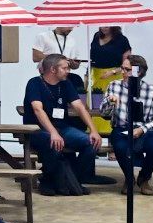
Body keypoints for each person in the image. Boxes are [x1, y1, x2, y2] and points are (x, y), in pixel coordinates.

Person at [23, 54, 100, 195]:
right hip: (37, 129)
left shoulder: (66, 84)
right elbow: (37, 109)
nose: (68, 71)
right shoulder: (34, 83)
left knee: (90, 143)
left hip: (62, 128)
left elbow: (79, 107)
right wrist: (53, 132)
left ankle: (73, 181)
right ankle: (47, 181)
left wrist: (94, 130)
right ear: (53, 69)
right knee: (52, 142)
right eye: (64, 68)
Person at [104, 53, 153, 196]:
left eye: (127, 69)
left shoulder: (152, 90)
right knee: (119, 146)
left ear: (139, 72)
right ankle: (128, 178)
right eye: (122, 68)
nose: (123, 72)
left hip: (146, 129)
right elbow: (104, 114)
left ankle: (144, 178)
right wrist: (109, 103)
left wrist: (142, 129)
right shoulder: (114, 86)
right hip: (122, 127)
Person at [88, 26, 131, 127]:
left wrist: (113, 71)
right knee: (95, 103)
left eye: (107, 25)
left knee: (112, 103)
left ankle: (114, 128)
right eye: (101, 25)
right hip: (96, 76)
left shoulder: (122, 40)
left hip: (114, 76)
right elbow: (92, 58)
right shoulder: (96, 36)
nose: (104, 27)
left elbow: (128, 63)